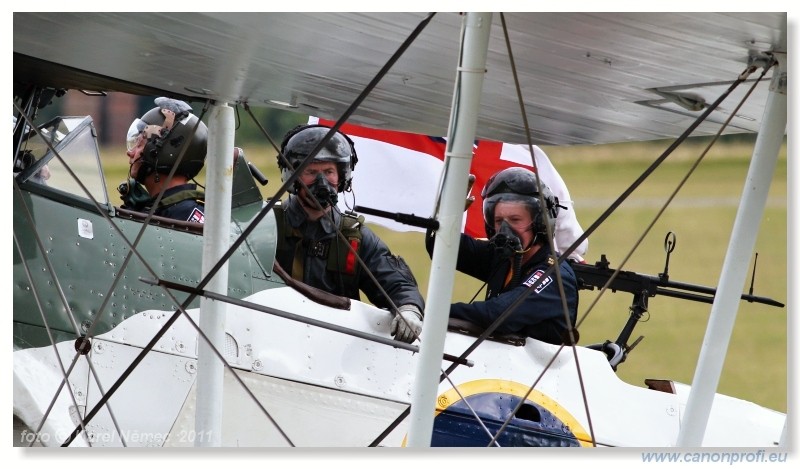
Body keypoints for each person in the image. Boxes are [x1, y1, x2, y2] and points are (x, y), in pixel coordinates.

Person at [274, 124, 425, 344]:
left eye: (328, 172)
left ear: (342, 176)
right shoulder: (269, 224)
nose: (321, 182)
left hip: (334, 346)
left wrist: (409, 308)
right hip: (274, 335)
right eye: (311, 172)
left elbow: (395, 282)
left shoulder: (355, 237)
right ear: (293, 176)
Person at [426, 167, 578, 345]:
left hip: (538, 370)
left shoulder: (555, 275)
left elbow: (498, 314)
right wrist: (446, 213)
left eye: (515, 220)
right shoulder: (504, 257)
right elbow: (441, 249)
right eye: (499, 221)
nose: (505, 230)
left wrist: (431, 312)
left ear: (540, 223)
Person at [119, 97, 208, 223]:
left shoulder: (184, 215)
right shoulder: (160, 210)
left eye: (139, 144)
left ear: (161, 151)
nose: (130, 152)